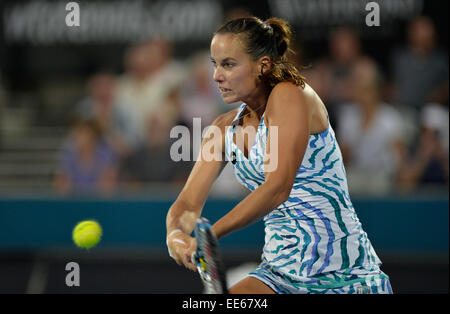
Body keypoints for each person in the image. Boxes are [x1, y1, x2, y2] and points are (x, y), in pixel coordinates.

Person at [166, 17, 392, 294]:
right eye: (215, 64)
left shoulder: (290, 94)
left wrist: (209, 236)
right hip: (279, 274)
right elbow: (188, 203)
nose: (217, 75)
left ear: (262, 65)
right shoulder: (222, 129)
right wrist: (176, 235)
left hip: (345, 275)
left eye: (228, 64)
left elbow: (278, 187)